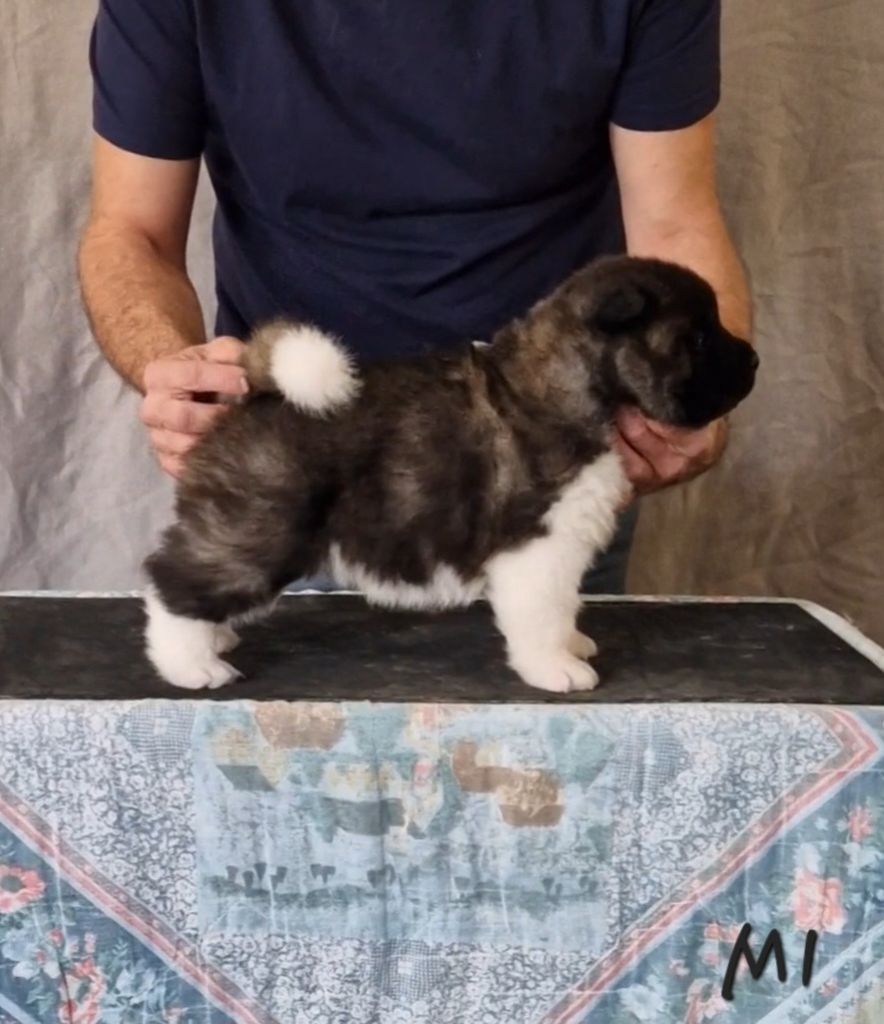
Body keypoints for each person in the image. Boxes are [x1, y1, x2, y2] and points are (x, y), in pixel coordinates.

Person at [79, 0, 752, 594]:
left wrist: (702, 409)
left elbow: (675, 223)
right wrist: (178, 373)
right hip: (304, 468)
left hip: (553, 465)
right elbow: (133, 233)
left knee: (555, 689)